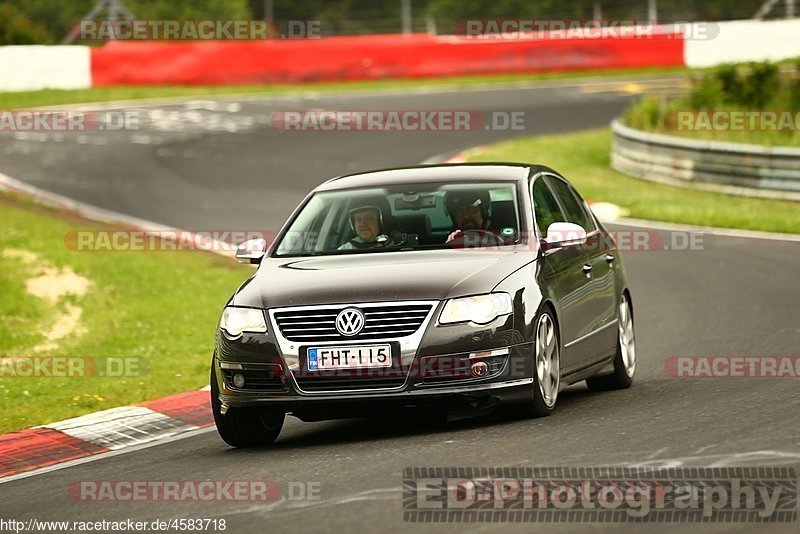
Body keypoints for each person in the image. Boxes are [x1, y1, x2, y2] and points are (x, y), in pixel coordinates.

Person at [338, 204, 406, 250]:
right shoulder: (346, 249)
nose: (363, 224)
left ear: (383, 221)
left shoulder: (401, 244)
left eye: (369, 218)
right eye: (358, 220)